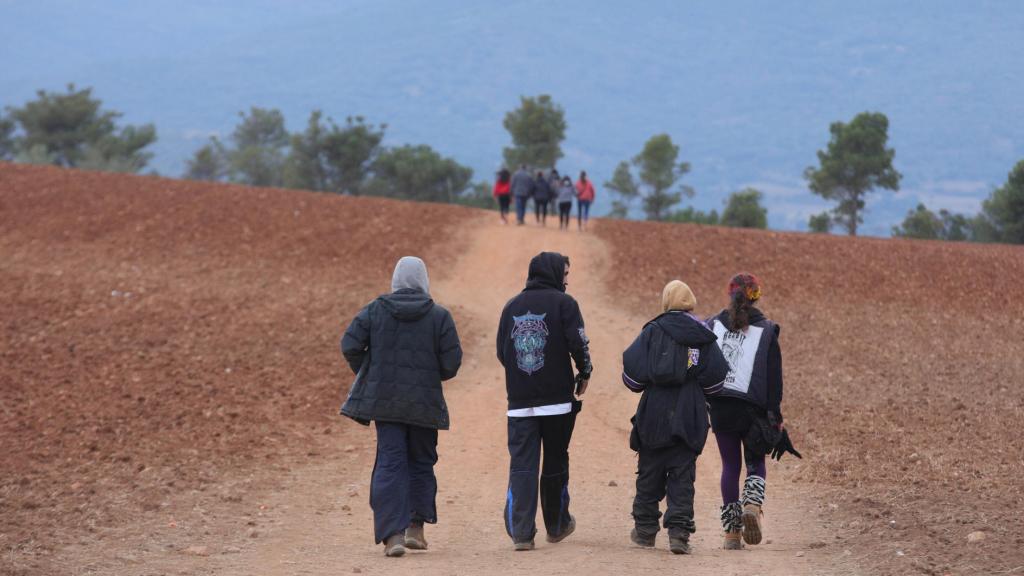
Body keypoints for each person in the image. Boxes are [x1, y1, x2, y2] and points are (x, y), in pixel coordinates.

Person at [340, 256, 463, 557]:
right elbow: (452, 362)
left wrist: (371, 371)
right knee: (421, 463)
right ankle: (416, 530)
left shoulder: (374, 311)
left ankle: (392, 536)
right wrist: (431, 376)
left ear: (396, 280)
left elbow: (349, 345)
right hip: (424, 405)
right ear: (424, 281)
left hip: (386, 404)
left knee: (391, 463)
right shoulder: (439, 316)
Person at [621, 281, 729, 554]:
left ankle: (645, 531)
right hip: (689, 412)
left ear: (666, 301)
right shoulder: (703, 335)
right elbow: (716, 379)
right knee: (682, 475)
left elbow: (633, 377)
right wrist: (694, 382)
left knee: (649, 471)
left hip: (654, 411)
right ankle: (679, 535)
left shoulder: (652, 330)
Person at [496, 252, 592, 551]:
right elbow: (579, 342)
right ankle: (557, 524)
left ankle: (522, 533)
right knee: (554, 462)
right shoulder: (565, 304)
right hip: (557, 402)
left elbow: (503, 351)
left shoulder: (511, 306)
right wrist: (585, 371)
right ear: (552, 273)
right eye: (564, 272)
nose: (566, 279)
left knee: (522, 465)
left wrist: (522, 379)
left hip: (520, 401)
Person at [705, 273, 785, 550]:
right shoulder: (767, 330)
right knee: (755, 463)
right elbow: (775, 380)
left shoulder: (712, 325)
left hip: (721, 407)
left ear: (730, 295)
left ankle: (731, 533)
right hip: (754, 411)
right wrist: (775, 416)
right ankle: (752, 504)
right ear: (757, 295)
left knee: (729, 466)